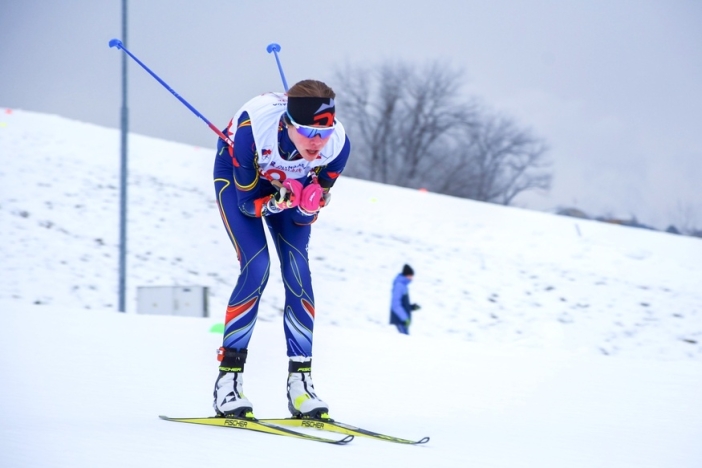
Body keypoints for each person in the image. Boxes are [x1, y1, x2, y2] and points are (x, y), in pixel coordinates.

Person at [212, 80, 351, 420]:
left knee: (298, 272)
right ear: (288, 125)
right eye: (307, 132)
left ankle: (300, 386)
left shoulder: (338, 147)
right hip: (239, 180)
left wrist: (307, 205)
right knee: (257, 266)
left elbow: (309, 213)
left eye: (325, 131)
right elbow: (247, 205)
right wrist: (276, 202)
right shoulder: (253, 130)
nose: (317, 143)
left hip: (288, 186)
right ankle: (228, 383)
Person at [389, 264, 421, 335]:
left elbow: (403, 304)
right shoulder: (399, 285)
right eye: (410, 276)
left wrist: (412, 307)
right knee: (405, 343)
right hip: (400, 320)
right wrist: (404, 318)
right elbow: (395, 305)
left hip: (403, 321)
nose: (411, 278)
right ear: (406, 275)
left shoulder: (403, 286)